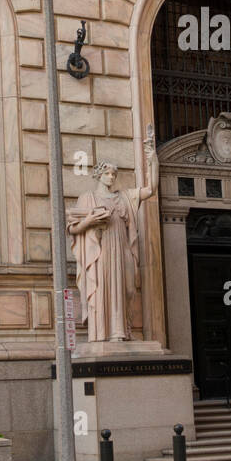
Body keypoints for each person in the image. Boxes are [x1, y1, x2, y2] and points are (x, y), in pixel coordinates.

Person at [67, 131, 157, 343]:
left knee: (126, 289)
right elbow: (73, 229)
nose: (112, 177)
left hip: (122, 249)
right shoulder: (88, 198)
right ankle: (104, 334)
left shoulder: (124, 197)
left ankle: (123, 331)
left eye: (114, 175)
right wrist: (90, 221)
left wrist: (153, 159)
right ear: (99, 175)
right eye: (108, 174)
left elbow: (151, 189)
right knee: (102, 290)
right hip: (100, 252)